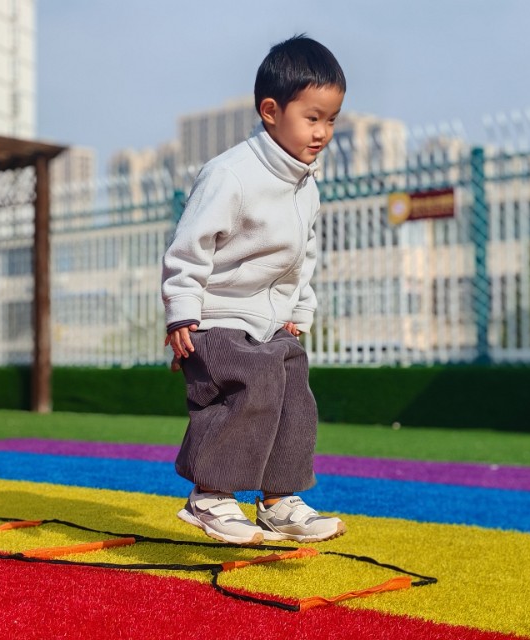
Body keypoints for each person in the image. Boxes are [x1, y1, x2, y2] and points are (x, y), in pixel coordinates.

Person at [161, 34, 347, 546]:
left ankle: (279, 500)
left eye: (332, 120)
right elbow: (189, 246)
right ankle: (210, 495)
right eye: (312, 118)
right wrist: (182, 311)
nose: (323, 132)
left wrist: (299, 313)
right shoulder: (230, 175)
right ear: (270, 111)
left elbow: (304, 256)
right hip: (217, 314)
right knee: (254, 381)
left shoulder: (306, 187)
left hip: (269, 319)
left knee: (293, 390)